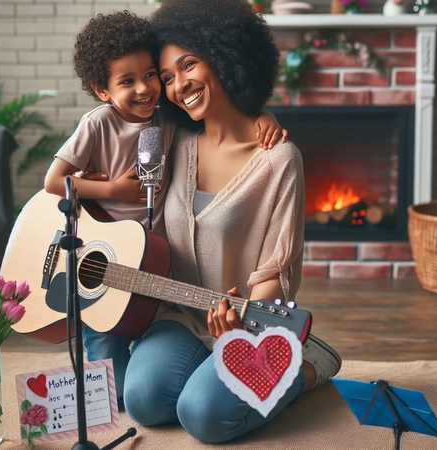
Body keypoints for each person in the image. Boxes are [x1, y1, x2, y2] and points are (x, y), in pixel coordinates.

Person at [121, 0, 342, 443]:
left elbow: (277, 270)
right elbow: (108, 115)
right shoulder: (171, 142)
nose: (180, 85)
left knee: (203, 416)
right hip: (179, 315)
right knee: (143, 401)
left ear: (224, 57)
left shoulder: (278, 160)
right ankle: (204, 368)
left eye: (189, 65)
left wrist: (242, 328)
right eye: (167, 78)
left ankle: (305, 366)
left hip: (252, 322)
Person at [43, 10, 288, 408]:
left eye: (155, 75)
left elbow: (224, 116)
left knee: (186, 398)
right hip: (120, 269)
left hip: (176, 282)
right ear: (102, 90)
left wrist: (262, 113)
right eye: (166, 75)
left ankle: (301, 365)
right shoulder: (120, 128)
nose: (151, 88)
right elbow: (54, 182)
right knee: (125, 391)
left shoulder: (169, 124)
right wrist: (110, 190)